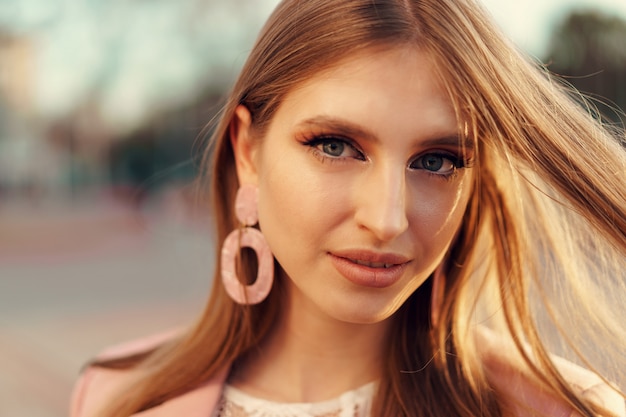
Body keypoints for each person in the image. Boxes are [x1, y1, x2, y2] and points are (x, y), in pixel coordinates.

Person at [69, 0, 626, 416]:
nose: (387, 219)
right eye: (335, 146)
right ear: (248, 152)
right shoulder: (117, 395)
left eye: (436, 161)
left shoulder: (559, 408)